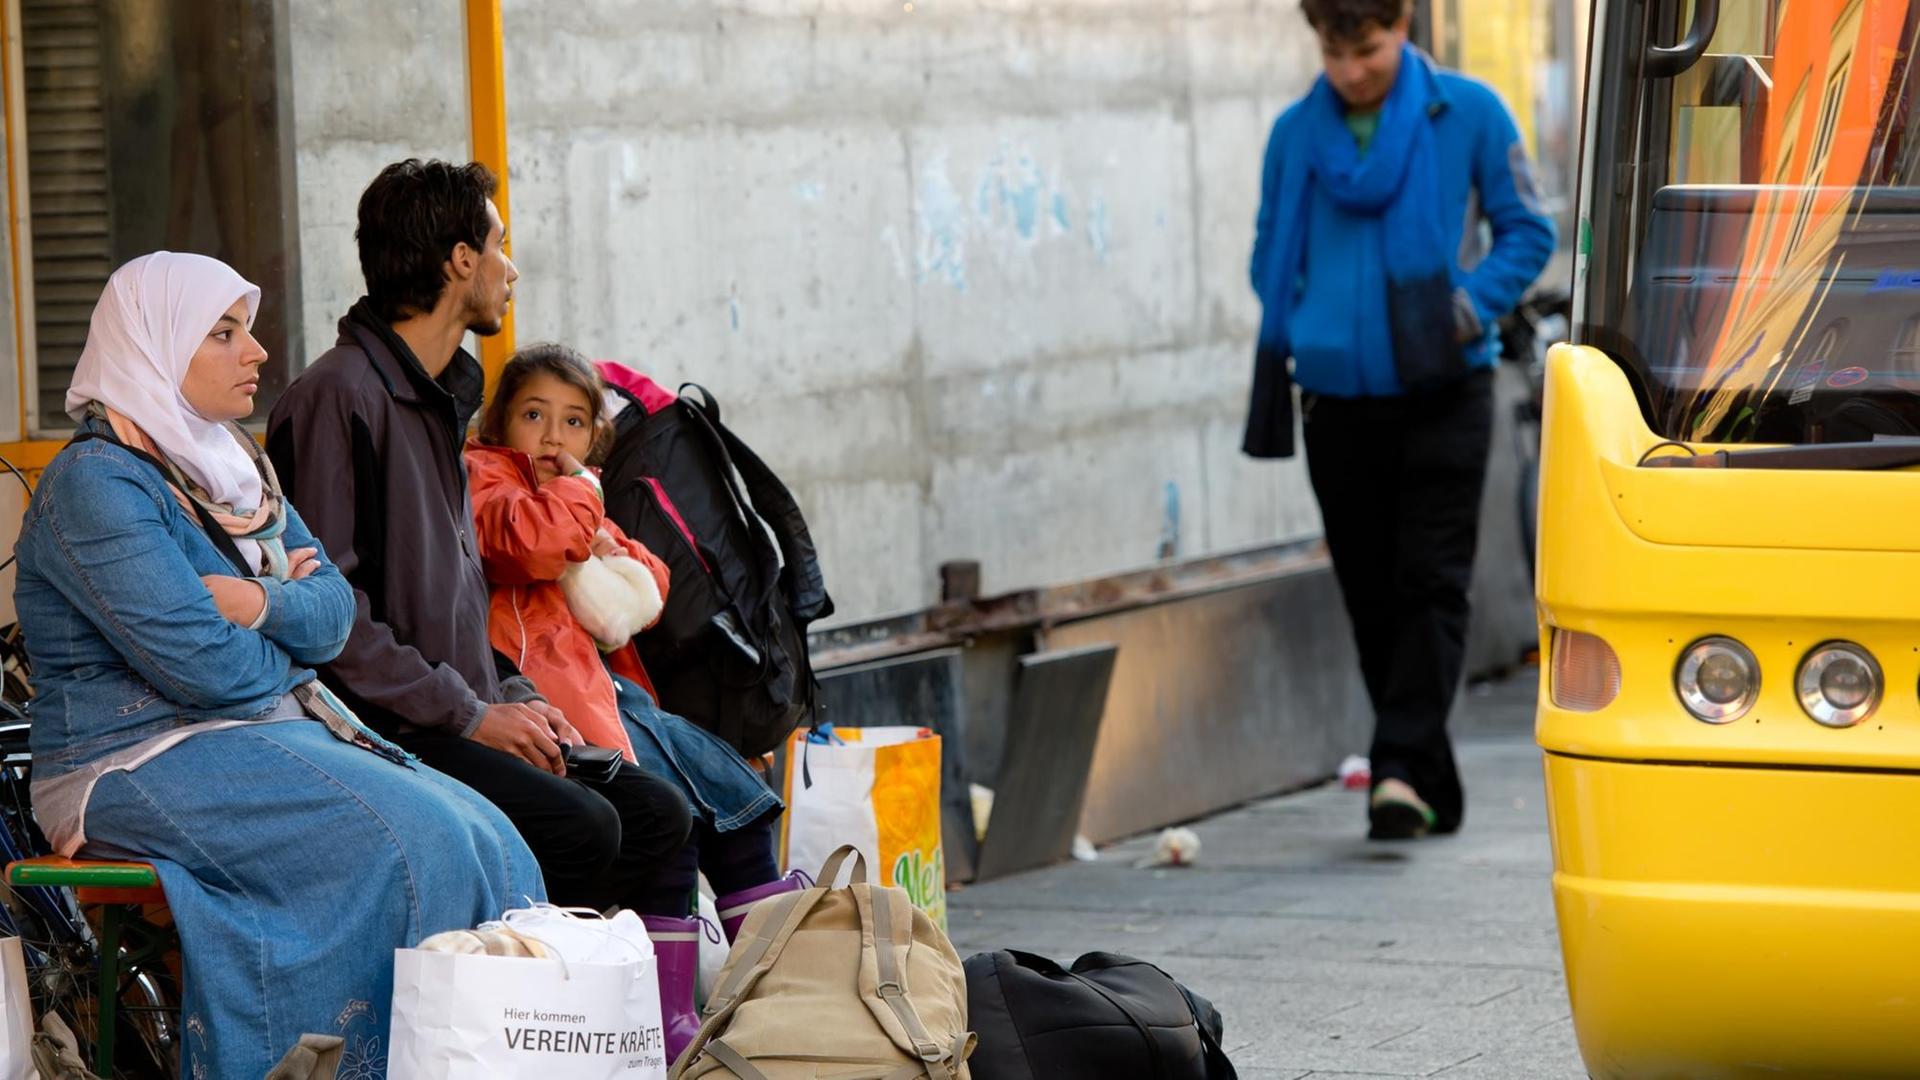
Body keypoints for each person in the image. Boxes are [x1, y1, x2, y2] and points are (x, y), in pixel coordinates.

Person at [15, 252, 542, 1079]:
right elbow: (206, 669)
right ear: (156, 346)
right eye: (223, 333)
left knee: (495, 840)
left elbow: (335, 614)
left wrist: (254, 604)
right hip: (133, 758)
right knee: (420, 844)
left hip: (261, 729)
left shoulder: (234, 466)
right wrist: (285, 629)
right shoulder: (95, 484)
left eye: (248, 330)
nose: (256, 351)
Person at [265, 160, 691, 912]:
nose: (509, 269)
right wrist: (470, 714)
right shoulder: (338, 396)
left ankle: (604, 991)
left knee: (659, 813)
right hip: (387, 730)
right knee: (585, 827)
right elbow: (329, 617)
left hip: (458, 709)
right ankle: (510, 980)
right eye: (499, 246)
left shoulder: (438, 402)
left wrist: (518, 696)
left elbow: (455, 611)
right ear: (461, 260)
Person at [1244, 0, 1554, 839]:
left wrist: (1465, 309)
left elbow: (1528, 231)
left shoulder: (1471, 112)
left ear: (1404, 26)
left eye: (1369, 51)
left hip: (1444, 387)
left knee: (1430, 581)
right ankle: (1424, 779)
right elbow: (1269, 251)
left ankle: (1394, 770)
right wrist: (1307, 323)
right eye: (1334, 53)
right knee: (1371, 594)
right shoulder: (1295, 135)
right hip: (1334, 399)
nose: (1351, 72)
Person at [466, 343, 804, 1060]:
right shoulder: (484, 476)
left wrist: (596, 531)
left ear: (595, 434)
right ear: (498, 424)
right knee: (674, 821)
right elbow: (526, 543)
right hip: (548, 697)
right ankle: (668, 1016)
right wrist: (582, 497)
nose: (552, 436)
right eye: (533, 415)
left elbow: (645, 587)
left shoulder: (575, 493)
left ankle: (784, 1001)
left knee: (739, 807)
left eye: (573, 421)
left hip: (612, 692)